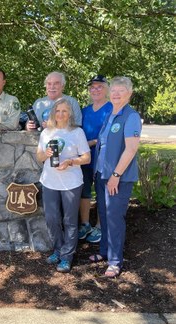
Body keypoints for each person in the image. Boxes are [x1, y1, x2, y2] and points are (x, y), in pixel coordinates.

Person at [90, 76, 141, 278]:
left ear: (129, 93)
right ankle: (105, 252)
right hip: (102, 175)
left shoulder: (131, 116)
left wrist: (116, 175)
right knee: (104, 214)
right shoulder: (111, 114)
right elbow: (103, 142)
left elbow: (130, 149)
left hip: (118, 177)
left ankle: (115, 262)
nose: (116, 93)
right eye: (114, 90)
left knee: (114, 217)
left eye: (121, 90)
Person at [36, 98, 90, 273]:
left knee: (69, 221)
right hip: (49, 182)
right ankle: (58, 250)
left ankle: (67, 256)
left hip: (71, 183)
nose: (60, 114)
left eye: (64, 111)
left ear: (70, 114)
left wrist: (70, 161)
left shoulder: (77, 132)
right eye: (58, 111)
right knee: (52, 219)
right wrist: (46, 153)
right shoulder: (46, 133)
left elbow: (86, 158)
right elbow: (39, 157)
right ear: (53, 113)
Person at [78, 75, 113, 243]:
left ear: (106, 89)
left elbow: (111, 136)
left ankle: (99, 226)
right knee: (84, 192)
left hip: (103, 160)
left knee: (101, 193)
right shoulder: (84, 111)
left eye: (99, 86)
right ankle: (85, 224)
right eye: (92, 87)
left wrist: (90, 142)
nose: (95, 90)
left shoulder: (112, 109)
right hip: (84, 159)